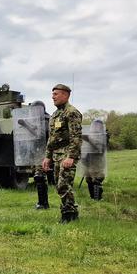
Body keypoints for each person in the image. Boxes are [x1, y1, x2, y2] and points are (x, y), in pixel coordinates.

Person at [42, 84, 83, 223]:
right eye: (52, 94)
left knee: (63, 185)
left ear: (65, 95)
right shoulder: (55, 114)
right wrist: (47, 157)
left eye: (56, 94)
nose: (53, 97)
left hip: (67, 155)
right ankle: (72, 213)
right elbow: (51, 138)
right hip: (56, 155)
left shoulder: (71, 112)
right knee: (59, 186)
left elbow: (76, 137)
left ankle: (67, 215)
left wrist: (71, 157)